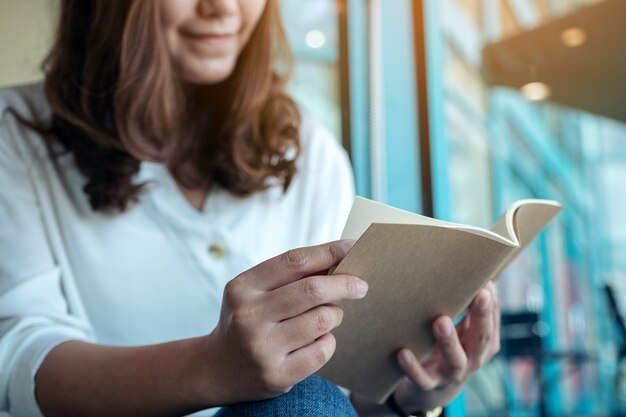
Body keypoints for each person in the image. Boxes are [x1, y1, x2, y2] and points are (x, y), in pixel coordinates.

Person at [0, 1, 501, 416]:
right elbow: (19, 364)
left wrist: (409, 395)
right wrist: (210, 369)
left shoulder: (305, 149)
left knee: (304, 396)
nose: (222, 8)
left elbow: (335, 396)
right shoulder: (14, 135)